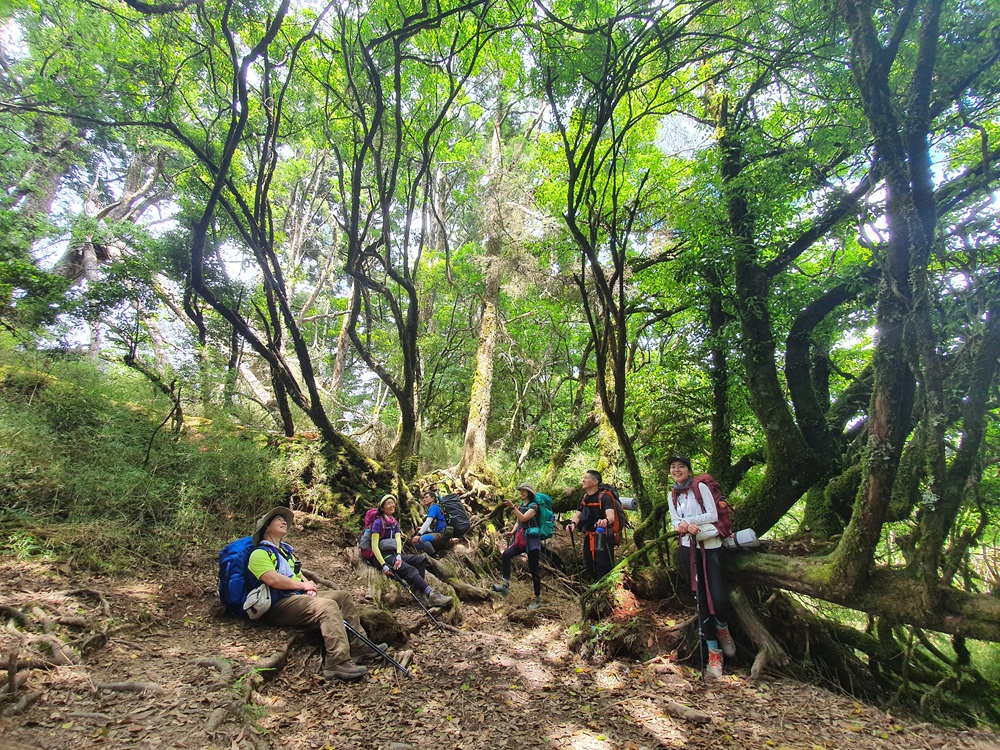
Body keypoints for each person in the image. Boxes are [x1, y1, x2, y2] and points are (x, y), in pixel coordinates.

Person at [248, 507, 386, 681]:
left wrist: (309, 586)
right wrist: (303, 585)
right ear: (267, 527)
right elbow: (273, 580)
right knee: (327, 606)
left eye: (284, 520)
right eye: (278, 520)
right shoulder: (259, 554)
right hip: (278, 605)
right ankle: (337, 661)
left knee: (342, 596)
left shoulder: (284, 552)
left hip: (297, 598)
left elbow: (297, 574)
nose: (284, 522)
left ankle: (359, 646)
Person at [666, 455, 735, 681]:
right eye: (673, 468)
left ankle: (722, 626)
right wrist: (683, 525)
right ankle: (714, 654)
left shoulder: (701, 488)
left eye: (681, 467)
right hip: (689, 548)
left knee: (719, 597)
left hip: (711, 545)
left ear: (689, 469)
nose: (677, 470)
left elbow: (713, 515)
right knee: (701, 600)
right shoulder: (672, 495)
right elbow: (675, 520)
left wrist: (691, 522)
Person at [368, 494, 452, 608]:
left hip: (393, 555)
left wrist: (398, 555)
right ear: (382, 508)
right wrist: (383, 565)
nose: (392, 505)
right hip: (383, 558)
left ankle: (418, 593)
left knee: (420, 559)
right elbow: (374, 546)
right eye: (388, 503)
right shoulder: (378, 523)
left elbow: (398, 541)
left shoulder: (394, 522)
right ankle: (431, 594)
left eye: (393, 502)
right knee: (410, 570)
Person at [491, 482, 543, 610]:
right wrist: (513, 531)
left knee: (533, 569)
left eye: (524, 491)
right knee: (506, 554)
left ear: (529, 492)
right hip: (521, 539)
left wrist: (513, 507)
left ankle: (537, 599)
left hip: (532, 540)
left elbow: (524, 518)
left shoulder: (534, 506)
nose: (522, 493)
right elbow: (519, 521)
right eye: (521, 490)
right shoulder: (521, 505)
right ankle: (505, 585)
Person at [565, 469, 617, 581]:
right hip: (588, 535)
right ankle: (594, 588)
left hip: (602, 535)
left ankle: (605, 590)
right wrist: (573, 524)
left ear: (595, 482)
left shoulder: (604, 497)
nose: (583, 480)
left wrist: (605, 521)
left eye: (586, 478)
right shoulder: (584, 498)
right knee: (589, 563)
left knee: (602, 564)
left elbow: (611, 517)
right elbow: (578, 515)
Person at [411, 490, 449, 556]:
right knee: (417, 545)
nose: (424, 499)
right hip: (439, 534)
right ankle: (432, 552)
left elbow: (428, 521)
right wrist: (422, 529)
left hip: (442, 534)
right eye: (424, 498)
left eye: (426, 497)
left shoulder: (434, 508)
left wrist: (419, 534)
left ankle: (434, 555)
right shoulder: (435, 508)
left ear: (432, 499)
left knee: (422, 539)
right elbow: (433, 528)